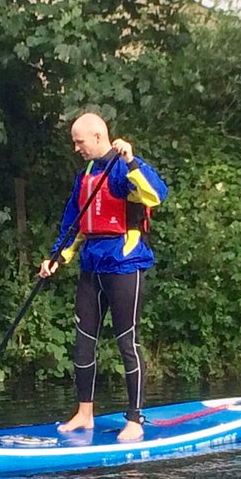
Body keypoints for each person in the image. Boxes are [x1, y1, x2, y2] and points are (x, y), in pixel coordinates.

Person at [39, 113, 168, 442]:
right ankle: (85, 413)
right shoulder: (86, 174)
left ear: (98, 137)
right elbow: (74, 222)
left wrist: (132, 160)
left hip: (125, 265)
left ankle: (135, 419)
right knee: (83, 342)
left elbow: (156, 195)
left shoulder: (123, 167)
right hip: (92, 265)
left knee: (127, 342)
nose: (75, 147)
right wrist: (57, 257)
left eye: (79, 141)